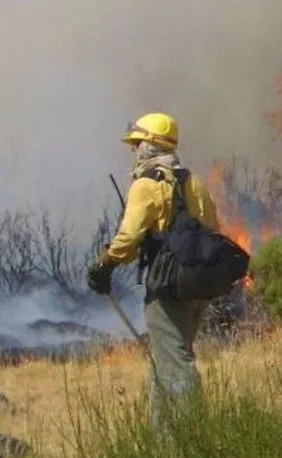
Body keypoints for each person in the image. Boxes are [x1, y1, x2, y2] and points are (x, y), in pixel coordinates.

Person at [85, 112, 221, 428]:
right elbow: (213, 227)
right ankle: (161, 441)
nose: (134, 152)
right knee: (165, 362)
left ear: (148, 146)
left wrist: (104, 266)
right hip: (200, 285)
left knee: (176, 365)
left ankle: (194, 443)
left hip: (168, 286)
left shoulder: (146, 185)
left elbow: (128, 238)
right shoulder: (194, 182)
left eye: (136, 145)